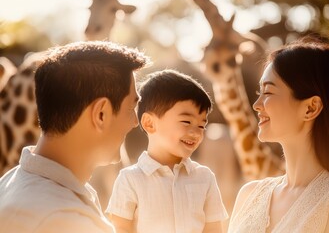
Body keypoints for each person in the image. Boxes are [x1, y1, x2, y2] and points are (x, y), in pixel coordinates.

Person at [0, 41, 150, 233]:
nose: (135, 122)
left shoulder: (10, 183)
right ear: (101, 114)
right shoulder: (67, 222)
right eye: (131, 108)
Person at [227, 34, 329, 233]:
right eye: (258, 94)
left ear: (311, 108)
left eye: (268, 92)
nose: (256, 105)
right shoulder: (249, 194)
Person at [106, 69, 229, 233]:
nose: (196, 132)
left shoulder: (205, 178)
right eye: (186, 121)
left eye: (202, 125)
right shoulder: (130, 179)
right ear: (149, 123)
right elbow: (121, 229)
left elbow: (214, 230)